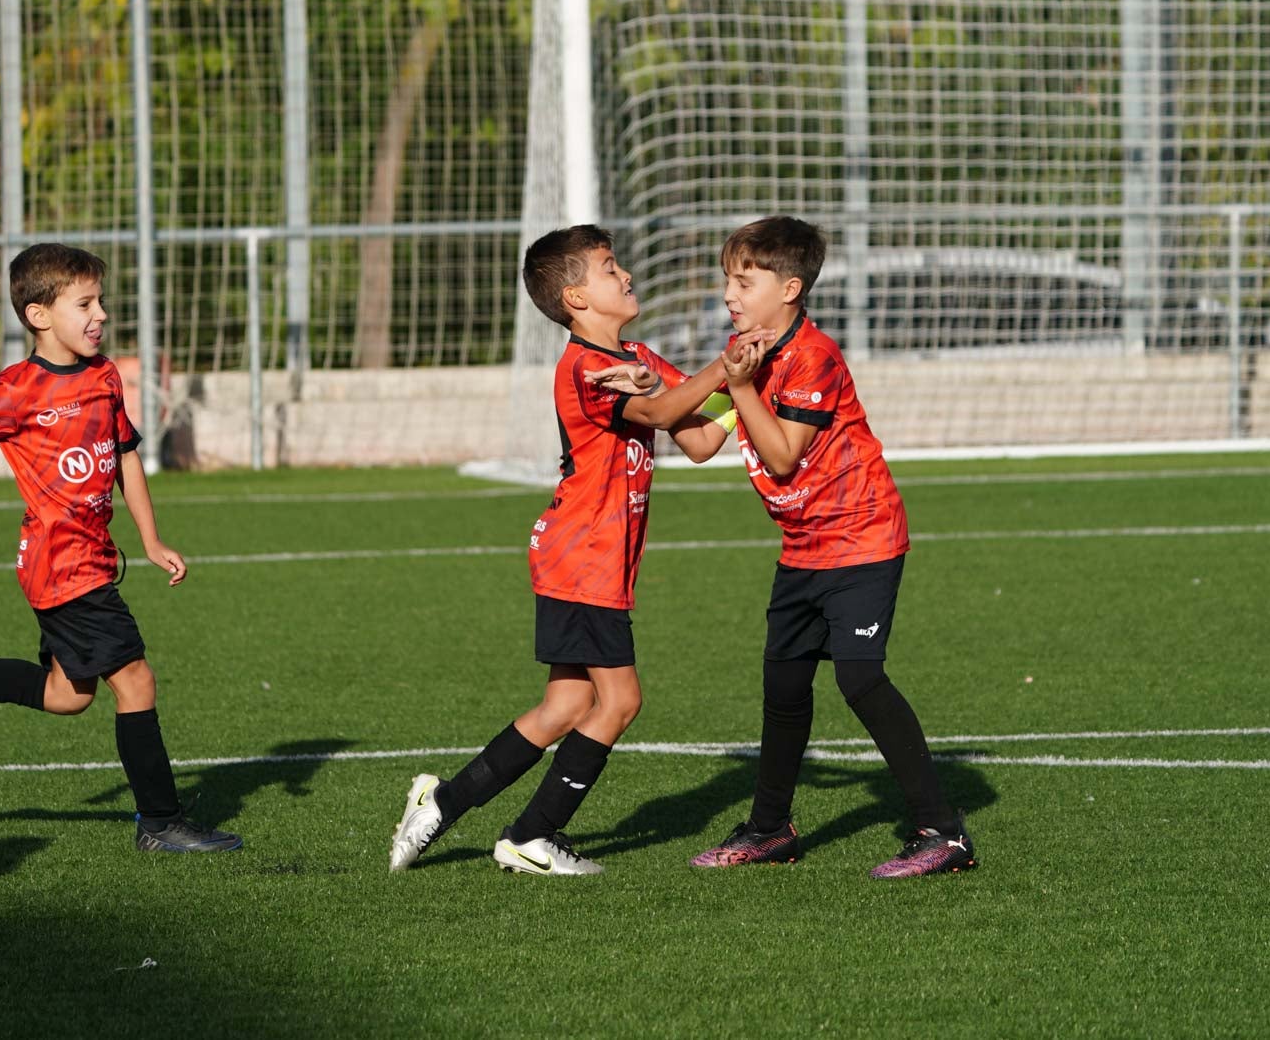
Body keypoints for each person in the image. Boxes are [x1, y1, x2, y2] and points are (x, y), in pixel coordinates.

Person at [0, 243, 241, 854]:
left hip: (87, 562)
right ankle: (161, 823)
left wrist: (149, 537)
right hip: (61, 566)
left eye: (101, 302)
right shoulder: (17, 390)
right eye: (84, 303)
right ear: (39, 315)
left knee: (68, 695)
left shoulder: (105, 376)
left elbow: (125, 456)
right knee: (136, 682)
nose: (101, 315)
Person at [389, 224, 737, 876]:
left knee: (566, 707)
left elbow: (697, 438)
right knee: (621, 702)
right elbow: (662, 416)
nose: (626, 274)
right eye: (609, 268)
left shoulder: (637, 353)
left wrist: (749, 382)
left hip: (590, 559)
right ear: (575, 297)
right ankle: (533, 834)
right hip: (582, 558)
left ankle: (440, 802)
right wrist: (729, 366)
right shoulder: (585, 367)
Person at [687, 215, 976, 878]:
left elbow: (784, 454)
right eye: (726, 279)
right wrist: (648, 393)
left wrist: (734, 384)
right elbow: (700, 441)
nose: (729, 293)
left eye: (743, 280)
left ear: (788, 288)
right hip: (804, 545)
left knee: (859, 677)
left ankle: (943, 832)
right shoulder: (749, 353)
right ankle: (768, 831)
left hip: (862, 536)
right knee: (783, 684)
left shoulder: (811, 356)